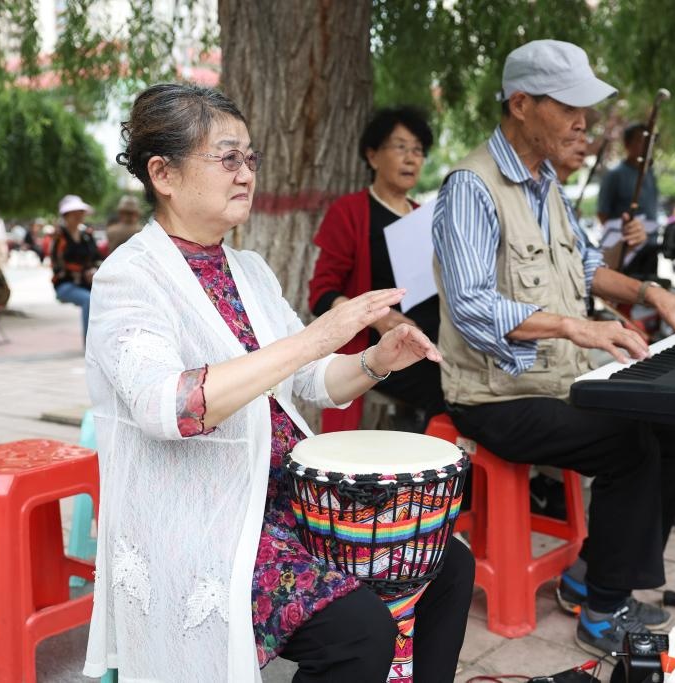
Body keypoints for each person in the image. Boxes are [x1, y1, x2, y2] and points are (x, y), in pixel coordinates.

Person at [83, 83, 473, 683]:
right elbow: (169, 406)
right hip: (209, 517)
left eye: (251, 159)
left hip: (284, 498)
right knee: (360, 631)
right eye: (228, 158)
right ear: (163, 173)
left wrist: (378, 359)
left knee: (446, 563)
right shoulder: (128, 277)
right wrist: (315, 337)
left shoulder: (250, 270)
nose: (246, 174)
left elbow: (312, 379)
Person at [432, 39, 675, 656]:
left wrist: (656, 294)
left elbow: (590, 267)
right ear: (521, 103)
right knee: (630, 446)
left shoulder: (545, 185)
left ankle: (591, 576)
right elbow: (472, 306)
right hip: (494, 392)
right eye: (570, 107)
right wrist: (577, 328)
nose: (584, 123)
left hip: (559, 377)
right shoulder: (471, 187)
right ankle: (602, 613)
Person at [308, 106, 444, 432]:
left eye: (418, 151)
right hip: (381, 350)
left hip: (434, 340)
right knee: (448, 386)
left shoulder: (424, 216)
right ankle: (433, 477)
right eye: (400, 147)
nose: (411, 158)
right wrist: (379, 317)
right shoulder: (349, 212)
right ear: (372, 156)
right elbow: (321, 294)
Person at [596, 123, 653, 272]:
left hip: (650, 247)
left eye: (648, 142)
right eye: (640, 141)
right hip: (625, 251)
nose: (645, 146)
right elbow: (602, 213)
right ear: (627, 144)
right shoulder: (615, 175)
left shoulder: (650, 174)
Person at [51, 194, 101, 341]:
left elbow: (97, 258)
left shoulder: (87, 235)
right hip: (66, 284)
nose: (79, 215)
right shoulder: (59, 237)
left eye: (80, 212)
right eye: (74, 213)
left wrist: (94, 270)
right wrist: (83, 272)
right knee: (89, 300)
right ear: (66, 215)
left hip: (89, 283)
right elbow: (58, 265)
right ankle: (89, 345)